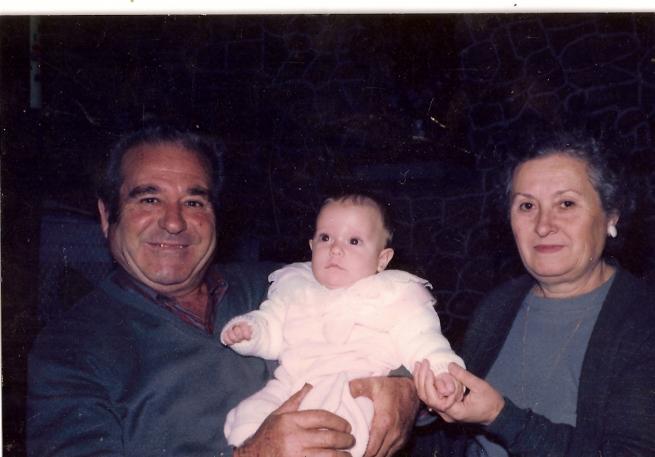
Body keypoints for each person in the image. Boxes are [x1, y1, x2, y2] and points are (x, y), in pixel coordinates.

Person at [26, 124, 420, 457]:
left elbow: (397, 311)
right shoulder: (69, 349)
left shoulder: (281, 283)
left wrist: (405, 385)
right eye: (149, 198)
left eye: (194, 202)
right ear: (106, 215)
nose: (174, 222)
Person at [414, 131, 655, 456]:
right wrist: (422, 404)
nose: (543, 225)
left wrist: (500, 417)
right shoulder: (499, 304)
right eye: (527, 206)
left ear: (611, 215)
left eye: (566, 203)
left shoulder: (643, 320)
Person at [221, 194, 465, 457]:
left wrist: (442, 372)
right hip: (292, 384)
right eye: (325, 238)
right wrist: (250, 331)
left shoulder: (395, 293)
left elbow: (423, 340)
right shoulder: (293, 287)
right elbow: (271, 328)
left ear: (382, 259)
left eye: (354, 241)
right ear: (312, 247)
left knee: (344, 423)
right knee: (252, 413)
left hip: (356, 386)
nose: (336, 249)